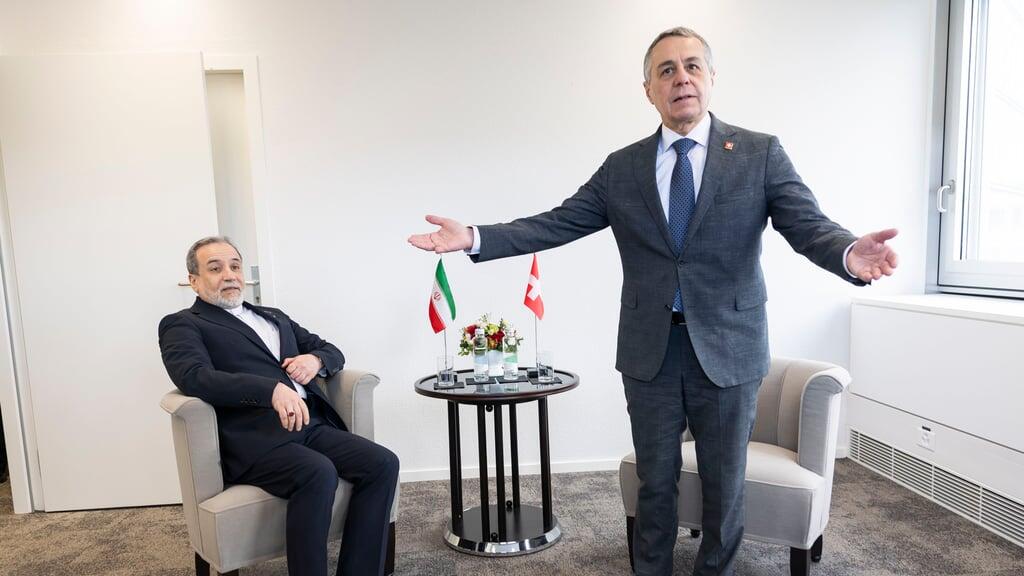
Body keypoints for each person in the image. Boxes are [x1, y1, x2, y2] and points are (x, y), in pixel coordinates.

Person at [408, 27, 897, 576]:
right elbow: (557, 222)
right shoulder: (624, 167)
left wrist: (848, 252)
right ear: (649, 90)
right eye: (666, 70)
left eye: (692, 66)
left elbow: (806, 224)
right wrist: (474, 237)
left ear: (711, 78)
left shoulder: (759, 153)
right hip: (650, 353)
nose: (680, 78)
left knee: (725, 487)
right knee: (655, 484)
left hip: (729, 349)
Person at [158, 236, 398, 576]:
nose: (229, 274)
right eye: (215, 268)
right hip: (255, 439)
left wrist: (315, 360)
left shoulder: (274, 316)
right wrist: (269, 390)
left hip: (311, 426)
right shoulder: (183, 323)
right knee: (318, 471)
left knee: (383, 463)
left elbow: (331, 350)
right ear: (194, 280)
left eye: (235, 266)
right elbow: (194, 377)